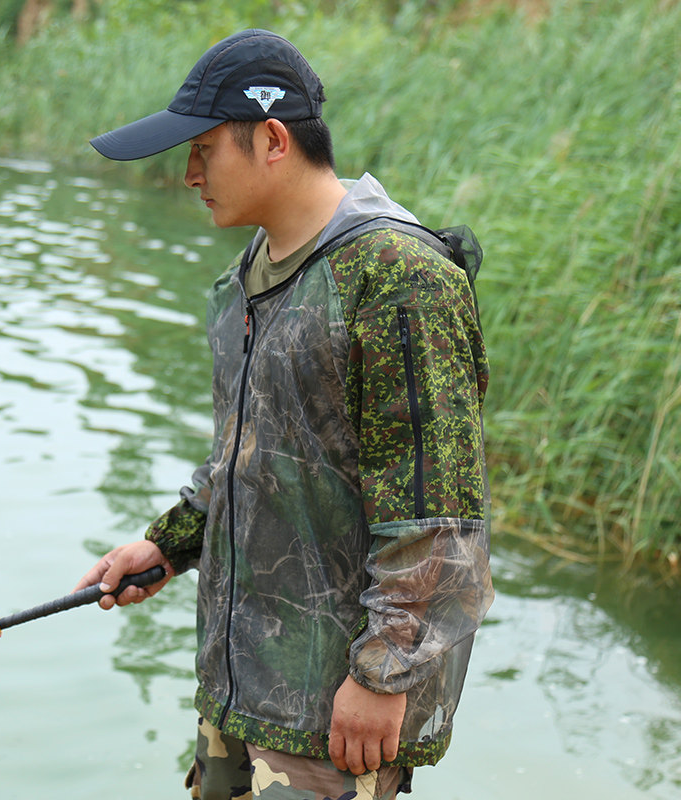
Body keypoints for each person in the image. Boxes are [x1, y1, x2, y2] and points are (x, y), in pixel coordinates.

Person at [74, 28, 493, 800]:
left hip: (335, 717)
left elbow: (440, 519)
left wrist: (382, 674)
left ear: (272, 140)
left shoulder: (399, 280)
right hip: (239, 689)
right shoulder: (245, 278)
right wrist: (168, 542)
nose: (190, 175)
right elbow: (248, 453)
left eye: (204, 151)